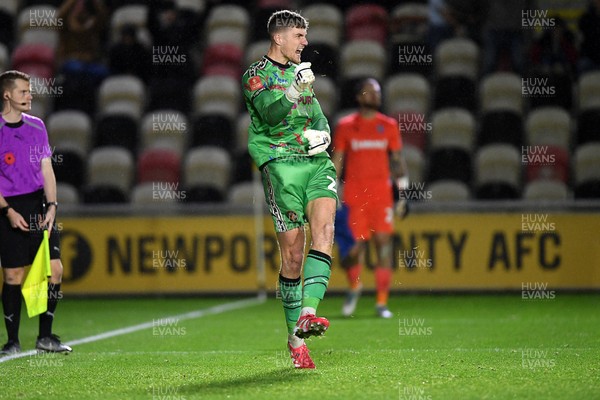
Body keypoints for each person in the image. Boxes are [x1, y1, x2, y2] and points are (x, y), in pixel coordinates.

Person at [241, 10, 337, 369]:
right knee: (293, 257)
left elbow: (316, 115)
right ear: (279, 38)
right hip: (280, 164)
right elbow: (268, 113)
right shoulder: (255, 74)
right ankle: (295, 340)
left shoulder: (303, 76)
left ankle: (308, 314)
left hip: (314, 164)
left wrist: (323, 135)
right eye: (299, 35)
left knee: (324, 229)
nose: (305, 42)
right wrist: (295, 88)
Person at [0, 70, 72, 355]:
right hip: (8, 207)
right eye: (23, 91)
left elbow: (46, 168)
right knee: (13, 275)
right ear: (7, 95)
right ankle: (12, 342)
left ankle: (45, 337)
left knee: (55, 270)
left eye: (29, 91)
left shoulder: (37, 126)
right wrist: (6, 211)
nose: (29, 96)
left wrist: (53, 206)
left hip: (38, 205)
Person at [332, 78, 409, 319]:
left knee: (384, 247)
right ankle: (355, 286)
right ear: (358, 96)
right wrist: (330, 191)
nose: (376, 96)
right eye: (370, 92)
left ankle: (381, 303)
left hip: (382, 198)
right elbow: (338, 162)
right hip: (355, 198)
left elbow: (397, 160)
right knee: (353, 251)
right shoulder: (346, 126)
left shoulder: (388, 126)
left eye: (378, 92)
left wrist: (404, 194)